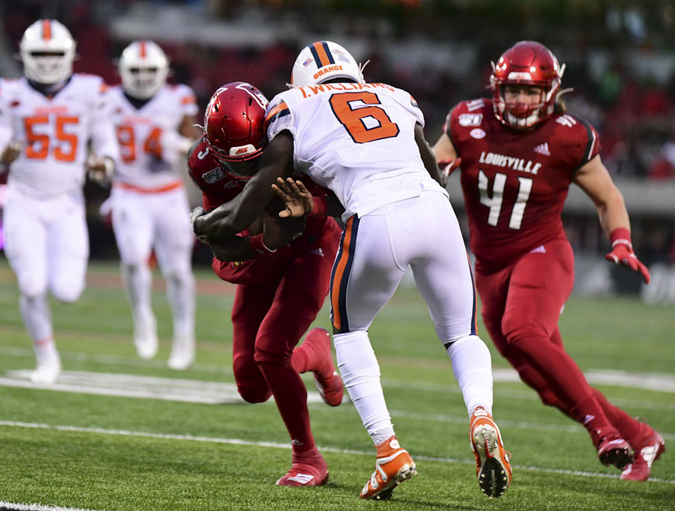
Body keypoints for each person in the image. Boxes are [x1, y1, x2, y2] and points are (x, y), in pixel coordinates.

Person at [193, 42, 511, 500]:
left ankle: (388, 451)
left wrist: (199, 225)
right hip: (435, 211)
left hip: (375, 217)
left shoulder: (290, 106)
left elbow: (250, 202)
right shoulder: (397, 94)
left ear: (298, 84)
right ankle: (481, 414)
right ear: (354, 72)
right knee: (462, 335)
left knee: (350, 332)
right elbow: (435, 172)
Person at [432, 40, 664, 482]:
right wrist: (435, 168)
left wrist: (621, 240)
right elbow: (436, 159)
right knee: (546, 385)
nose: (519, 100)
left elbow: (607, 195)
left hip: (542, 253)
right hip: (489, 267)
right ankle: (640, 436)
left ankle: (603, 433)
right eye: (512, 90)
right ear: (496, 88)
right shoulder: (468, 119)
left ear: (551, 92)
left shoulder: (568, 134)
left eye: (530, 91)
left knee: (523, 330)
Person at [188, 81, 344, 487]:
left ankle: (308, 458)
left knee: (271, 351)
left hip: (310, 246)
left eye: (252, 161)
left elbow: (344, 200)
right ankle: (316, 352)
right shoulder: (204, 164)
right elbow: (224, 254)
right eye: (234, 165)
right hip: (264, 254)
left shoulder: (296, 138)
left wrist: (311, 208)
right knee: (251, 384)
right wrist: (262, 241)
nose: (245, 173)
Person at [0, 19, 118, 384]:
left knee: (68, 292)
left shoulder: (91, 91)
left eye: (54, 53)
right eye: (39, 53)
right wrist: (1, 156)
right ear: (24, 55)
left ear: (70, 54)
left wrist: (104, 164)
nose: (46, 60)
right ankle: (46, 357)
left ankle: (48, 353)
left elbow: (107, 145)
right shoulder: (10, 92)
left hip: (67, 203)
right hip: (23, 199)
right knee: (31, 285)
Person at [105, 40, 199, 370]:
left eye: (149, 70)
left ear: (163, 71)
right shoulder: (107, 99)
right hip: (128, 189)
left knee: (177, 270)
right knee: (133, 260)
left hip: (167, 192)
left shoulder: (178, 97)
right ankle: (142, 318)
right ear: (122, 71)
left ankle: (184, 336)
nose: (143, 76)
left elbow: (195, 147)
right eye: (136, 71)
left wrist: (173, 143)